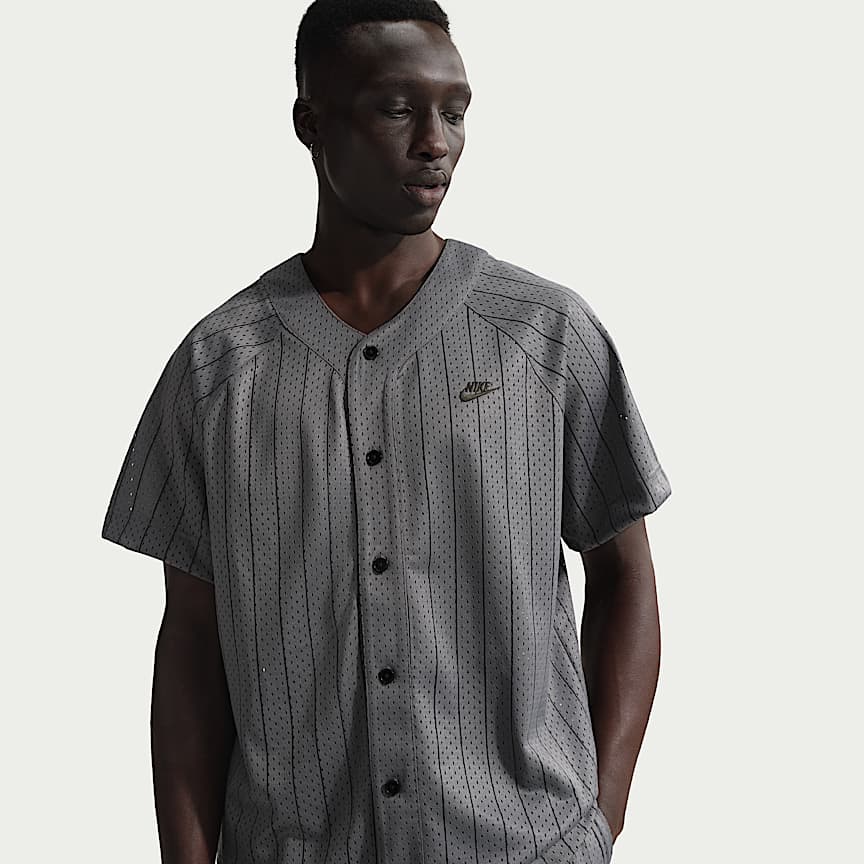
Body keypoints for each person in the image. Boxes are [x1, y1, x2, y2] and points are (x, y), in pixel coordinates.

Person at [100, 2, 672, 863]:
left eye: (455, 111)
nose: (436, 142)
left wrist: (601, 819)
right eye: (398, 109)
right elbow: (190, 643)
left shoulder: (546, 334)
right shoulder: (218, 367)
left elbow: (624, 575)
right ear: (311, 122)